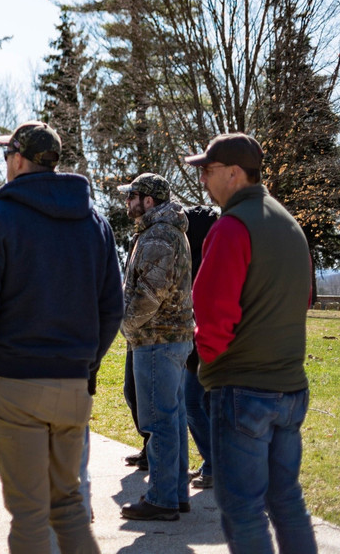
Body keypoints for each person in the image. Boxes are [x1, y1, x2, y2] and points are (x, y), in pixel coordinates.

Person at [0, 121, 122, 554]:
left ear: (17, 158)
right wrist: (85, 363)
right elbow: (112, 308)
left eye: (5, 156)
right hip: (72, 384)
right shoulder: (94, 223)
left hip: (15, 381)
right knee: (67, 506)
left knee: (29, 514)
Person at [187, 133, 318, 553]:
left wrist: (208, 360)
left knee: (242, 508)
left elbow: (212, 314)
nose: (203, 180)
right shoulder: (288, 223)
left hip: (243, 389)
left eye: (207, 171)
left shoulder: (231, 227)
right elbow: (308, 298)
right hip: (290, 387)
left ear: (233, 173)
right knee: (286, 500)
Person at [116, 173, 195, 522]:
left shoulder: (159, 235)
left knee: (160, 420)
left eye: (131, 196)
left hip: (157, 340)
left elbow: (149, 295)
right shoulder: (159, 231)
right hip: (167, 339)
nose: (127, 202)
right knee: (172, 418)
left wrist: (124, 324)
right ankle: (176, 494)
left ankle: (162, 499)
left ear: (148, 200)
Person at [184, 204, 218, 490]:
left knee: (191, 401)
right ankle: (212, 462)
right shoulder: (204, 255)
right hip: (201, 341)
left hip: (204, 343)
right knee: (203, 403)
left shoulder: (199, 261)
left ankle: (214, 464)